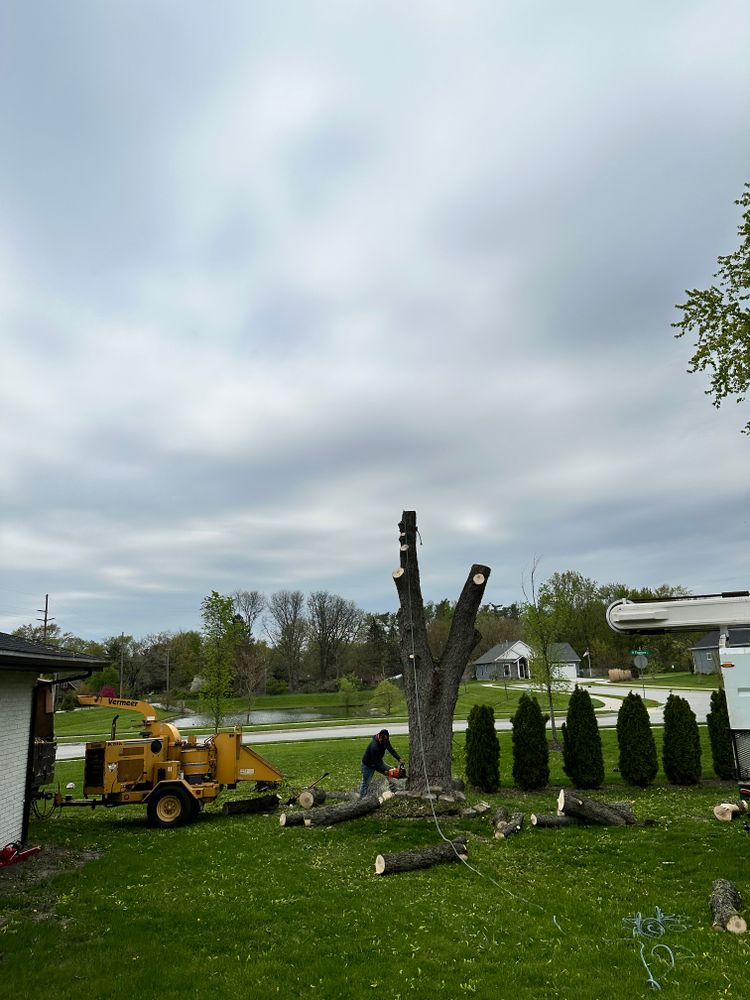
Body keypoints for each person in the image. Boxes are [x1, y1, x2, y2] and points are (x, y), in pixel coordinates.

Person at [359, 728, 403, 798]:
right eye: (384, 740)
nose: (385, 742)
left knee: (391, 772)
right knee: (366, 783)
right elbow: (374, 763)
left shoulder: (385, 741)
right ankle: (361, 798)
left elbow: (391, 750)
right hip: (368, 765)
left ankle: (394, 790)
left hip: (378, 761)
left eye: (386, 740)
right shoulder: (374, 746)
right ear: (379, 737)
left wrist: (399, 758)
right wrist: (384, 771)